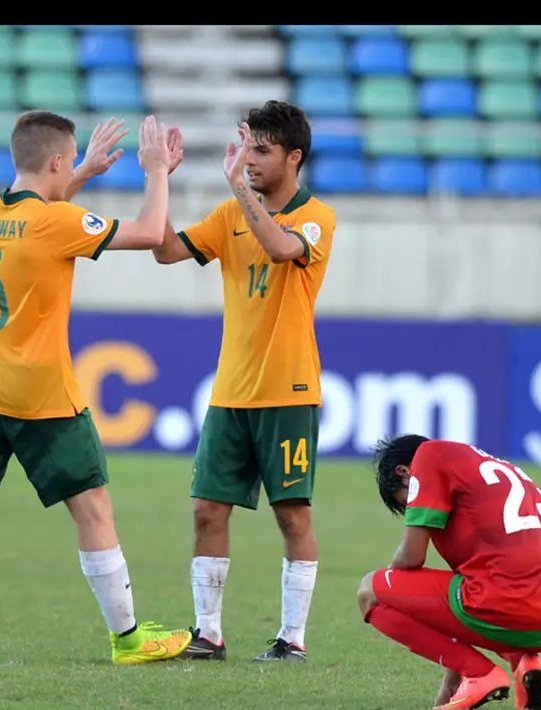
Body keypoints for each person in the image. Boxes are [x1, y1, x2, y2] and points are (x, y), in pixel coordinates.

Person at [0, 112, 190, 667]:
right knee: (93, 511)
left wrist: (80, 171)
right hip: (43, 399)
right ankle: (129, 638)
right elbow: (151, 232)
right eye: (70, 161)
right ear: (56, 161)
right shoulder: (55, 224)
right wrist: (157, 171)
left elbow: (39, 212)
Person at [151, 100, 336, 662]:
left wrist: (241, 193)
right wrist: (158, 177)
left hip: (289, 389)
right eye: (247, 146)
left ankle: (292, 640)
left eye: (262, 149)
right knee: (208, 509)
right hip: (231, 390)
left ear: (293, 157)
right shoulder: (232, 213)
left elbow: (282, 249)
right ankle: (208, 633)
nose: (249, 159)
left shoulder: (315, 216)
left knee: (291, 514)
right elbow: (164, 250)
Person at [362, 436, 541, 710]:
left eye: (407, 500)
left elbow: (412, 557)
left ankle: (481, 675)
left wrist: (390, 583)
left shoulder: (428, 456)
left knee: (369, 593)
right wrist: (449, 684)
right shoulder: (494, 471)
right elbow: (458, 610)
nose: (415, 507)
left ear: (405, 472)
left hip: (509, 603)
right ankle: (526, 665)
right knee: (476, 597)